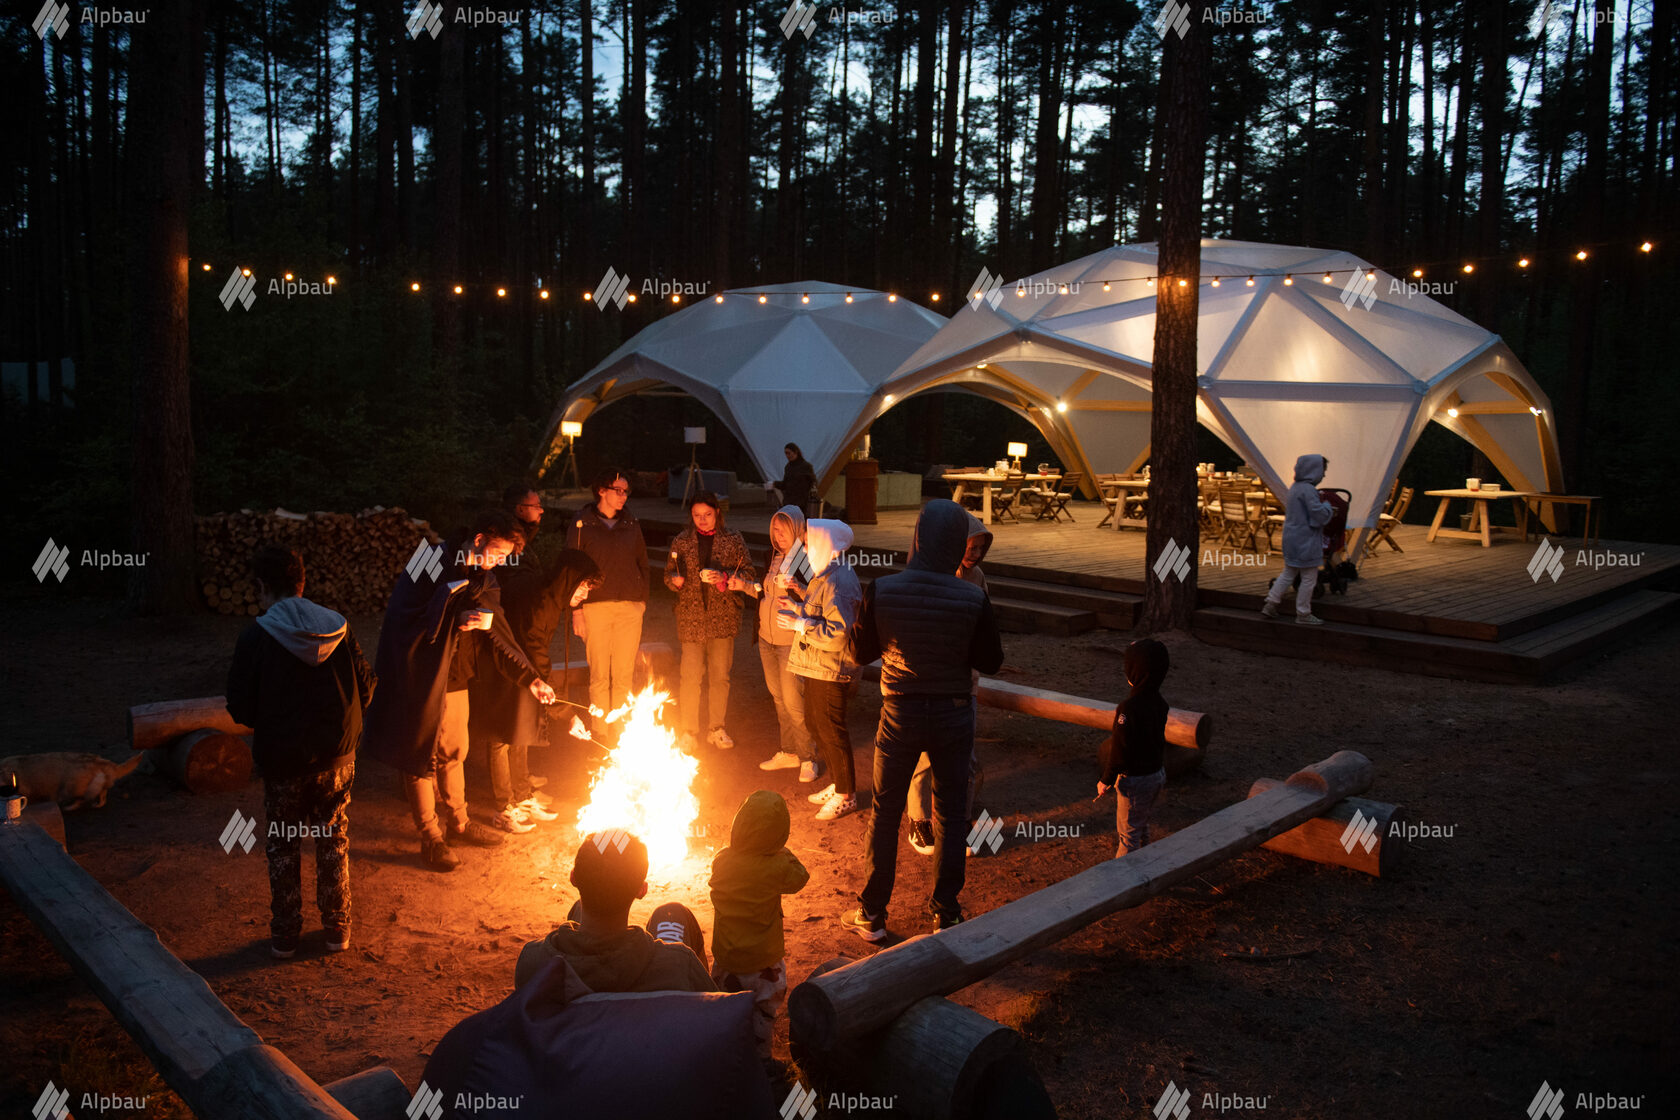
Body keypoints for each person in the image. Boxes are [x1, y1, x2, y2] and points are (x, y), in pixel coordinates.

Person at [364, 510, 556, 872]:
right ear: (479, 539)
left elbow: (499, 633)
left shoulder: (483, 577)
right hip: (420, 676)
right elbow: (402, 613)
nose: (499, 562)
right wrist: (453, 619)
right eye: (497, 553)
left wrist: (530, 678)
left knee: (455, 750)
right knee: (420, 754)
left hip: (455, 676)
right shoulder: (429, 556)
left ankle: (460, 824)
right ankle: (431, 838)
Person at [847, 499, 1004, 940]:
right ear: (957, 542)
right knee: (952, 815)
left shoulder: (883, 588)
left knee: (885, 810)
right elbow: (990, 660)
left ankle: (873, 913)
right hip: (955, 713)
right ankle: (946, 912)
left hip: (900, 711)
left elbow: (860, 654)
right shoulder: (974, 595)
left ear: (917, 536)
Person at [226, 546, 375, 959]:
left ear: (261, 587)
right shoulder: (340, 628)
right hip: (337, 758)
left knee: (283, 842)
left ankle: (285, 935)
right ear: (302, 582)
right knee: (332, 838)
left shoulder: (257, 636)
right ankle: (336, 931)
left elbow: (238, 705)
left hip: (283, 760)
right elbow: (367, 684)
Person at [471, 526, 600, 833]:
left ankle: (522, 795)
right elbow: (536, 654)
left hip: (523, 670)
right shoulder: (541, 601)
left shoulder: (550, 596)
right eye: (582, 588)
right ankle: (505, 807)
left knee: (521, 729)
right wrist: (566, 715)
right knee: (502, 736)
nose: (583, 595)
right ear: (568, 581)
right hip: (504, 667)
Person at [515, 832, 715, 993]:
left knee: (579, 908)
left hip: (574, 1037)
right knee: (671, 912)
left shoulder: (533, 961)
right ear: (642, 890)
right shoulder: (677, 964)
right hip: (641, 1032)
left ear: (573, 878)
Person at [905, 512, 992, 855]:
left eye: (980, 547)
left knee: (964, 756)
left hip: (964, 680)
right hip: (931, 680)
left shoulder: (978, 578)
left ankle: (959, 820)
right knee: (925, 755)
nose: (974, 553)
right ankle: (918, 819)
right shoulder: (931, 575)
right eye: (970, 546)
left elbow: (986, 622)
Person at [708, 790, 810, 1059]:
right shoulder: (777, 867)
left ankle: (727, 1056)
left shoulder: (722, 860)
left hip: (727, 957)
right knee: (763, 1013)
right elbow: (801, 877)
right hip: (764, 961)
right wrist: (780, 851)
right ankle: (761, 1062)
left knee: (727, 1008)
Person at [781, 520, 863, 822]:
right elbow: (822, 610)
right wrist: (799, 605)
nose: (804, 548)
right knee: (817, 725)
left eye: (808, 542)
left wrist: (799, 624)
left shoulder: (839, 580)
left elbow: (837, 632)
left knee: (830, 728)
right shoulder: (826, 575)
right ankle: (838, 784)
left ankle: (846, 794)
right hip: (818, 666)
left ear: (826, 544)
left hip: (831, 668)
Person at [662, 492, 757, 752]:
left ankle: (717, 728)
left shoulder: (733, 539)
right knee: (690, 677)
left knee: (719, 676)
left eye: (707, 515)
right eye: (697, 516)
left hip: (723, 616)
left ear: (717, 513)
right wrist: (675, 581)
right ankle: (689, 731)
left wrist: (724, 576)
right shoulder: (681, 541)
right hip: (691, 617)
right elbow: (668, 574)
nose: (702, 520)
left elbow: (749, 572)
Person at [569, 469, 651, 737]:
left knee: (624, 674)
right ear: (601, 490)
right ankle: (601, 733)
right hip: (596, 607)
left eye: (626, 491)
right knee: (600, 675)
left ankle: (621, 735)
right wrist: (576, 609)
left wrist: (642, 600)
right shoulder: (583, 524)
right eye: (618, 490)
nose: (623, 496)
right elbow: (571, 566)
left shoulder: (631, 523)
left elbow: (643, 562)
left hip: (630, 607)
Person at [748, 505, 822, 783]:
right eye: (775, 530)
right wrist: (747, 586)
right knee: (779, 698)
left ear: (798, 530)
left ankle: (808, 756)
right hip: (768, 639)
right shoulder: (772, 556)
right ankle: (789, 751)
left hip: (790, 640)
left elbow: (817, 599)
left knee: (793, 700)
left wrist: (796, 588)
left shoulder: (806, 559)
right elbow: (764, 594)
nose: (779, 536)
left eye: (785, 530)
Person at [1097, 639, 1170, 857]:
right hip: (1156, 775)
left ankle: (1122, 884)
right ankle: (1146, 866)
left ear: (1133, 671)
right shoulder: (1160, 703)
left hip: (1135, 781)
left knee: (1128, 836)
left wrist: (1106, 780)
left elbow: (1120, 751)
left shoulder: (1128, 709)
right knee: (1142, 823)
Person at [1260, 454, 1336, 626]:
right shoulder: (1308, 490)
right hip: (1305, 539)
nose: (1323, 475)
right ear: (1314, 470)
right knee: (1309, 577)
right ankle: (1303, 613)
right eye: (1323, 471)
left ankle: (1271, 603)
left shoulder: (1295, 487)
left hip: (1291, 537)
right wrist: (1328, 507)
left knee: (1288, 573)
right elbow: (1317, 514)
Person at [768, 443, 817, 514]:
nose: (787, 456)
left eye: (789, 453)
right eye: (786, 453)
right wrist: (775, 484)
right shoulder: (788, 467)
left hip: (801, 502)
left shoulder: (806, 466)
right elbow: (785, 484)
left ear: (795, 452)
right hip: (789, 501)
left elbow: (812, 483)